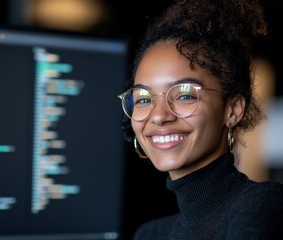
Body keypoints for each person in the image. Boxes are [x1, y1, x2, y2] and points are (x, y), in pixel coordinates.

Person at [117, 0, 283, 239]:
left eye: (185, 95)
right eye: (143, 98)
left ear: (233, 110)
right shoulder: (150, 234)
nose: (160, 116)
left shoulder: (263, 206)